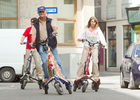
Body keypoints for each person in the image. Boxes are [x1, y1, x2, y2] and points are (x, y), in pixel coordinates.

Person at [30, 6, 67, 81]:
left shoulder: (50, 21)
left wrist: (54, 32)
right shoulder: (36, 24)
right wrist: (32, 42)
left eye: (43, 12)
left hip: (51, 44)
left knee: (57, 61)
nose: (41, 13)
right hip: (41, 45)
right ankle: (47, 77)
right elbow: (33, 34)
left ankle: (63, 76)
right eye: (40, 12)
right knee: (44, 62)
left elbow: (54, 27)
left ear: (45, 12)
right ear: (38, 13)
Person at [74, 16, 107, 88]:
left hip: (94, 47)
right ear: (90, 22)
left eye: (94, 22)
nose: (93, 23)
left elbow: (101, 37)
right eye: (92, 21)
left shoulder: (97, 29)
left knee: (95, 62)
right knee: (82, 62)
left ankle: (96, 77)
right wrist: (81, 38)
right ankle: (78, 77)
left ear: (96, 23)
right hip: (86, 46)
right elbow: (79, 36)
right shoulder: (86, 29)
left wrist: (103, 43)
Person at [20, 17, 44, 83]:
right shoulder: (28, 29)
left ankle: (40, 76)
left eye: (34, 23)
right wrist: (21, 41)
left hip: (36, 49)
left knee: (38, 63)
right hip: (28, 48)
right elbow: (23, 36)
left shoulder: (39, 30)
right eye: (31, 22)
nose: (32, 24)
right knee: (26, 63)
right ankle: (25, 75)